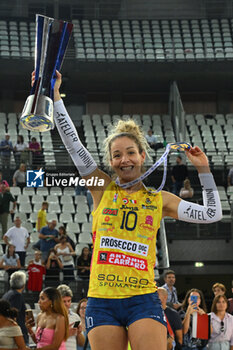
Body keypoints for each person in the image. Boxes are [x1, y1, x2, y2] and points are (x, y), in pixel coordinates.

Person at [32, 70, 222, 350]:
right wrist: (57, 97)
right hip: (102, 300)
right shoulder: (101, 187)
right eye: (117, 155)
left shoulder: (161, 199)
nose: (124, 159)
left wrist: (203, 170)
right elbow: (74, 146)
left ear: (142, 155)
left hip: (142, 298)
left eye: (131, 152)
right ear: (110, 161)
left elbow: (212, 214)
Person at [2, 271, 28, 344]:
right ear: (23, 284)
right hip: (16, 336)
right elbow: (13, 317)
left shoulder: (7, 294)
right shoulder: (17, 296)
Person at [57, 284, 85, 350]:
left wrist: (79, 333)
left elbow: (82, 343)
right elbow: (48, 341)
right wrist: (67, 334)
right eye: (64, 301)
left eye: (69, 301)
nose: (67, 304)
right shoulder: (52, 316)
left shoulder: (75, 317)